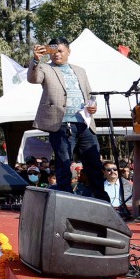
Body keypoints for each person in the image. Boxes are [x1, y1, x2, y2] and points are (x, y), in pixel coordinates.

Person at [29, 38, 103, 197]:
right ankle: (65, 200)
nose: (57, 54)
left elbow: (90, 94)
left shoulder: (80, 70)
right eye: (54, 51)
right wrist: (35, 59)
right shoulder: (45, 67)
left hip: (85, 123)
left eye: (60, 51)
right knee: (63, 164)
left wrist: (93, 105)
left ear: (69, 52)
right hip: (61, 123)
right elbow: (33, 79)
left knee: (94, 163)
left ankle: (101, 199)